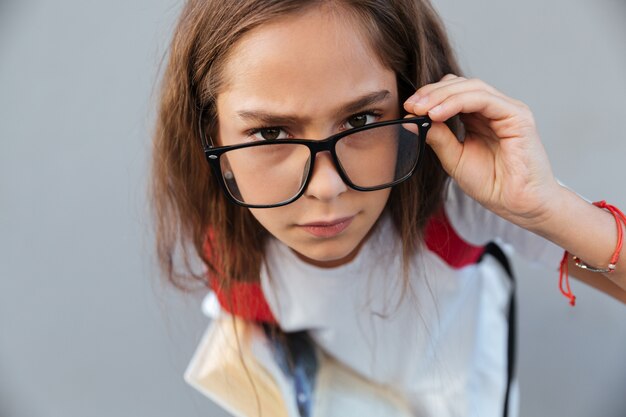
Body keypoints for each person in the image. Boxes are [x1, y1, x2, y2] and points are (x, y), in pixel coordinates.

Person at [151, 0, 626, 416]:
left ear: (410, 106)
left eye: (361, 119)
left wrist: (542, 208)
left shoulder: (453, 205)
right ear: (212, 136)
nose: (327, 187)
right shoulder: (237, 255)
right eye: (271, 134)